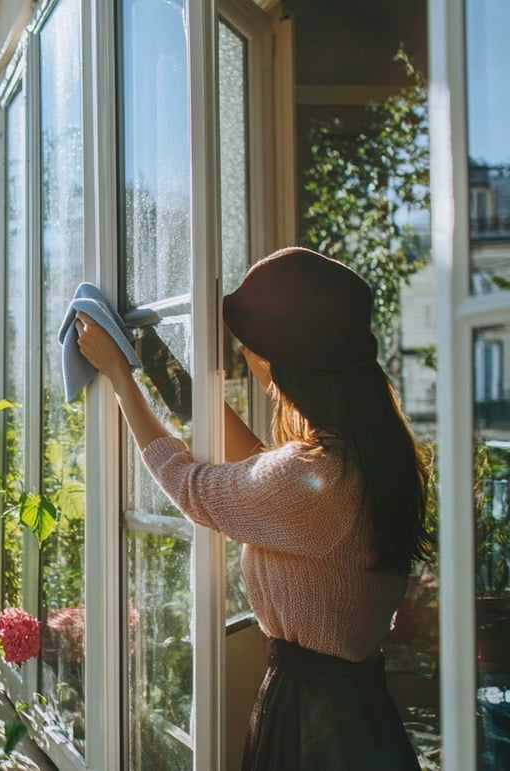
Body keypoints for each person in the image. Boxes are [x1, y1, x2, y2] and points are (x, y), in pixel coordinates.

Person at [74, 246, 428, 771]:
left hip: (314, 727)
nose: (246, 359)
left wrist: (121, 378)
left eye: (252, 349)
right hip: (355, 713)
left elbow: (192, 485)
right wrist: (159, 366)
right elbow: (263, 469)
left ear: (290, 360)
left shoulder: (320, 478)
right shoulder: (363, 455)